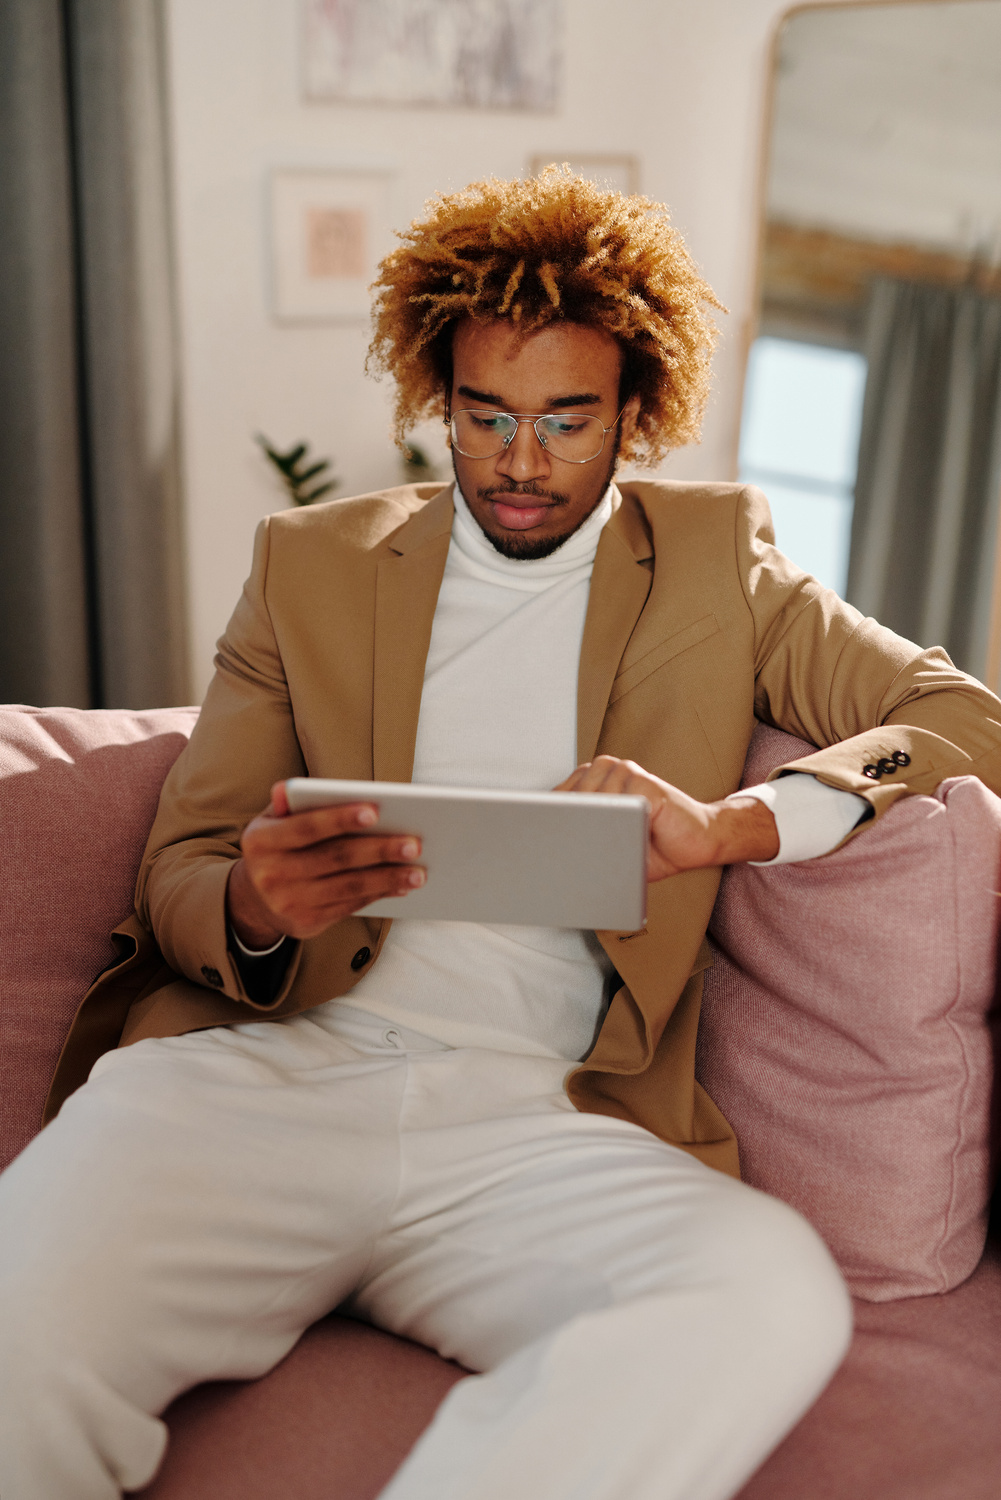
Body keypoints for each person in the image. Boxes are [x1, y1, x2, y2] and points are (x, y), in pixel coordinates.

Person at [3, 169, 1001, 1500]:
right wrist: (252, 904)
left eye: (565, 421)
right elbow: (181, 875)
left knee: (763, 1294)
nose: (520, 462)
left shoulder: (720, 565)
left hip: (542, 1128)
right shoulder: (310, 565)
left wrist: (733, 824)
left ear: (634, 412)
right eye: (484, 419)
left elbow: (960, 717)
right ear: (438, 397)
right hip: (266, 1081)